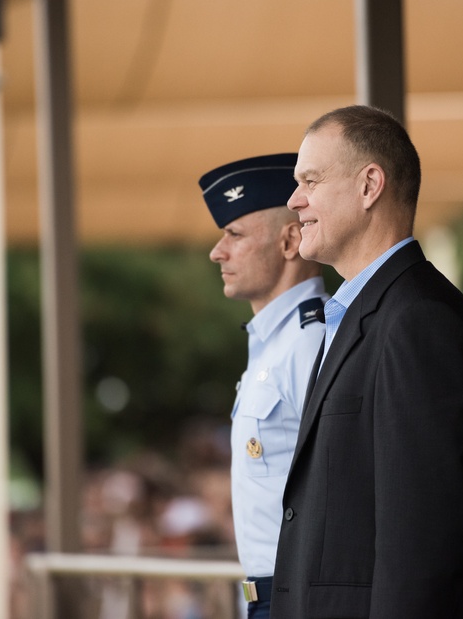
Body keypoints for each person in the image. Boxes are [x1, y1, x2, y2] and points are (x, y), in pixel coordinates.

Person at [272, 106, 463, 618]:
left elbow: (421, 543)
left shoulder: (419, 320)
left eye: (310, 179)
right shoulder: (371, 314)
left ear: (369, 185)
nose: (294, 200)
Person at [199, 153, 328, 619]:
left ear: (290, 240)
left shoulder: (311, 341)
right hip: (270, 596)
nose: (218, 251)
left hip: (301, 594)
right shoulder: (276, 343)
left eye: (234, 234)